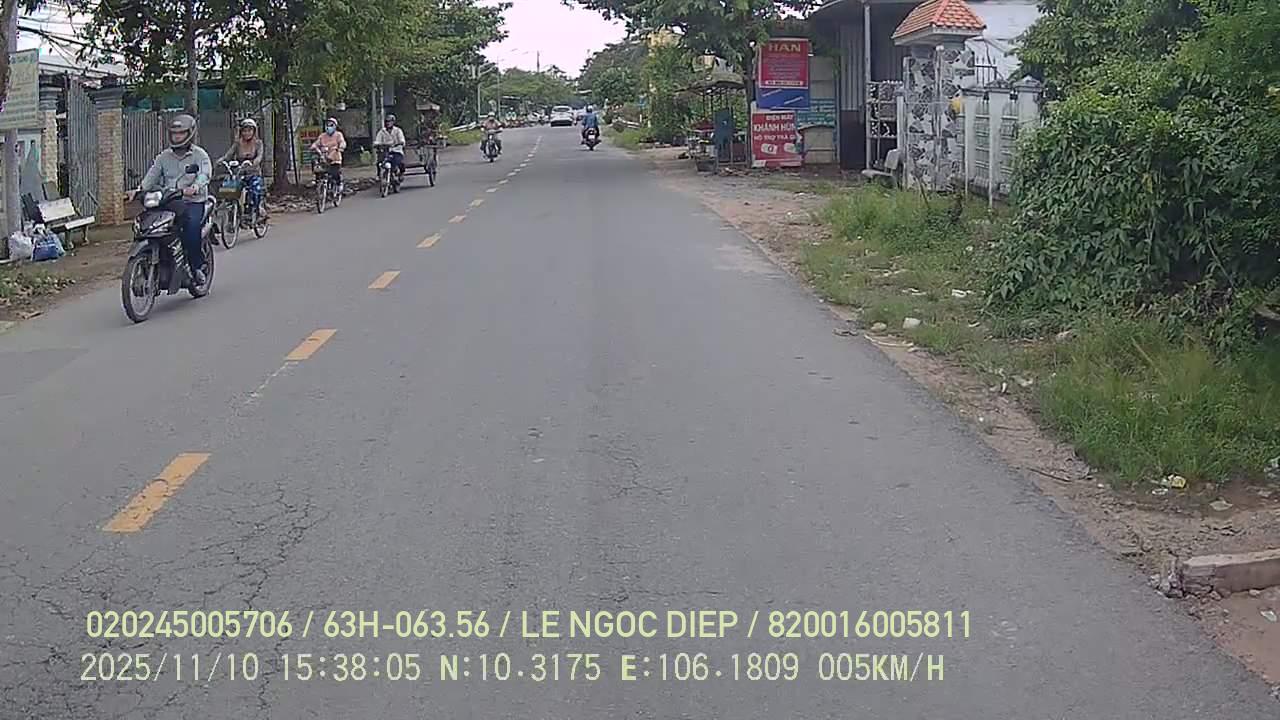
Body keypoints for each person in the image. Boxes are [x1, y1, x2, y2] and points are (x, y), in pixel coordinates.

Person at [130, 114, 211, 287]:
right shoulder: (163, 157)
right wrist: (138, 190)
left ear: (190, 133)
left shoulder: (199, 155)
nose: (177, 137)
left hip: (193, 201)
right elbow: (151, 176)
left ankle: (196, 267)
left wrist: (195, 187)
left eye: (181, 133)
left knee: (191, 228)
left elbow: (204, 174)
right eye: (174, 134)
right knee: (148, 224)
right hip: (169, 200)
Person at [217, 117, 267, 219]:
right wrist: (221, 160)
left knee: (255, 190)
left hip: (253, 173)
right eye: (244, 130)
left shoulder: (258, 143)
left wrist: (254, 162)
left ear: (254, 131)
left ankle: (257, 209)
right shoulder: (237, 143)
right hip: (239, 173)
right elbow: (228, 155)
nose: (247, 133)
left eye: (249, 130)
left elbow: (259, 156)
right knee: (228, 190)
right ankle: (231, 214)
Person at [309, 117, 347, 193]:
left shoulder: (338, 135)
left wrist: (340, 147)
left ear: (335, 126)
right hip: (324, 158)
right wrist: (314, 147)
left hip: (335, 158)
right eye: (327, 125)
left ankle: (339, 184)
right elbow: (316, 143)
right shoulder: (322, 136)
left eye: (331, 125)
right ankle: (319, 185)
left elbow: (342, 142)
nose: (328, 127)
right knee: (318, 170)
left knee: (334, 173)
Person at [372, 113, 406, 180]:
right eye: (387, 121)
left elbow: (402, 140)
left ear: (393, 122)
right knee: (379, 162)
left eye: (390, 121)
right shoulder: (382, 132)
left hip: (396, 151)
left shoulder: (398, 131)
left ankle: (401, 173)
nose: (388, 123)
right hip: (386, 152)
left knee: (399, 162)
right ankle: (379, 175)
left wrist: (399, 143)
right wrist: (376, 144)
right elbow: (377, 140)